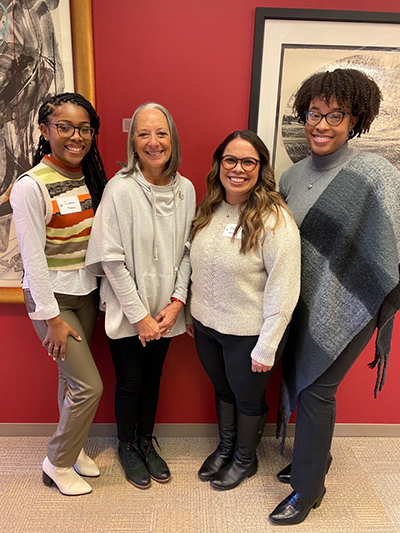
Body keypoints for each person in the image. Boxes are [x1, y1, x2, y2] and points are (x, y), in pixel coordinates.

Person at [269, 69, 400, 525]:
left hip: (353, 304)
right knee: (301, 380)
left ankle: (307, 490)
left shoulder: (375, 174)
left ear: (355, 119)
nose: (321, 125)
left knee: (316, 391)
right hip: (300, 302)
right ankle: (315, 458)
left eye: (334, 116)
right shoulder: (289, 176)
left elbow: (389, 247)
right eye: (313, 114)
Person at [86, 102, 196, 489]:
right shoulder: (119, 189)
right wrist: (139, 316)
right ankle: (127, 445)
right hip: (130, 312)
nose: (154, 142)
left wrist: (177, 302)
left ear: (173, 139)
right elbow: (111, 260)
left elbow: (188, 251)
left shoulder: (187, 190)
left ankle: (146, 441)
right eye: (144, 133)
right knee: (130, 382)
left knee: (154, 379)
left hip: (166, 312)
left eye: (161, 133)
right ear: (133, 141)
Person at [187, 130, 301, 491]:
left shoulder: (275, 219)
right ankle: (226, 448)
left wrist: (267, 344)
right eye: (230, 160)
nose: (238, 169)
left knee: (248, 398)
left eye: (248, 161)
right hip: (207, 326)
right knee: (223, 389)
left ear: (260, 167)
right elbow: (196, 266)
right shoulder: (210, 207)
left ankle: (244, 460)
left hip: (249, 332)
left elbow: (284, 287)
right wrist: (192, 314)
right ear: (219, 165)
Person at [10, 93, 107, 496]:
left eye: (84, 128)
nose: (76, 136)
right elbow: (32, 260)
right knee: (90, 387)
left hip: (84, 292)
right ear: (45, 130)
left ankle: (75, 445)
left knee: (70, 382)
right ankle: (57, 461)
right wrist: (51, 318)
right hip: (54, 300)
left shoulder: (90, 175)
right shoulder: (31, 186)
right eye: (64, 127)